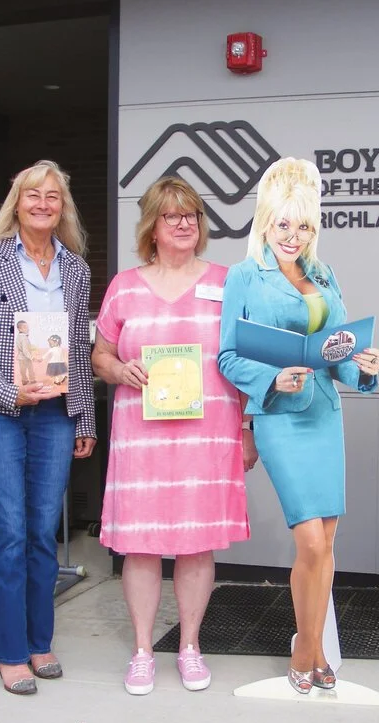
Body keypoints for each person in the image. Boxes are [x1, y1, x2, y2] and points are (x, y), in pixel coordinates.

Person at [218, 157, 379, 694]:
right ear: (266, 221)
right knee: (309, 541)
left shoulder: (323, 273)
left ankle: (311, 648)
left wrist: (360, 365)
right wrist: (272, 378)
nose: (294, 235)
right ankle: (307, 647)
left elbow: (336, 349)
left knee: (327, 541)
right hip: (280, 417)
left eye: (305, 225)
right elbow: (227, 356)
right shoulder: (245, 275)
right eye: (285, 224)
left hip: (323, 413)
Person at [92, 176, 255, 696]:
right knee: (140, 547)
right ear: (153, 227)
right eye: (172, 215)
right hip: (141, 438)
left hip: (208, 436)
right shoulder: (124, 286)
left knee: (196, 544)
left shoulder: (230, 283)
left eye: (192, 215)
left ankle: (188, 646)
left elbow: (246, 361)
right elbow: (100, 355)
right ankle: (143, 651)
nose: (184, 223)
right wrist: (119, 372)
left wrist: (248, 427)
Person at [0, 160, 97, 695]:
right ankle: (11, 651)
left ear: (63, 208)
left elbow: (79, 354)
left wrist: (84, 415)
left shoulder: (76, 268)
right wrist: (5, 390)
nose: (43, 203)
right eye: (33, 195)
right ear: (16, 202)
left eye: (53, 197)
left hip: (56, 415)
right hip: (2, 412)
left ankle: (41, 642)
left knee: (42, 531)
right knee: (10, 532)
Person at [15, 320, 35, 384]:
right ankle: (32, 380)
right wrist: (31, 357)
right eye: (25, 327)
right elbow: (25, 350)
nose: (27, 329)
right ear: (19, 329)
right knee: (30, 369)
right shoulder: (24, 338)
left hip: (20, 358)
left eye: (27, 327)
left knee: (22, 370)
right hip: (26, 358)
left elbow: (24, 348)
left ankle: (24, 381)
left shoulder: (18, 336)